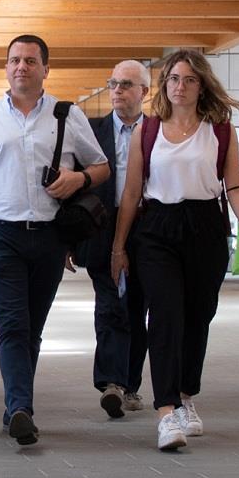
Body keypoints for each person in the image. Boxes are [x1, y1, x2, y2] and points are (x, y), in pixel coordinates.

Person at [0, 35, 109, 447]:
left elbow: (101, 166)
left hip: (50, 235)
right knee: (14, 325)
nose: (21, 66)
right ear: (6, 68)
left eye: (30, 60)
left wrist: (79, 178)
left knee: (32, 327)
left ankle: (16, 408)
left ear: (45, 69)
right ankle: (22, 407)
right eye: (14, 60)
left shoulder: (67, 115)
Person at [111, 50, 239, 451]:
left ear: (202, 85)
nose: (180, 87)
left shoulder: (220, 130)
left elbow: (235, 186)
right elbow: (131, 192)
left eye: (189, 79)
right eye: (174, 79)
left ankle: (185, 396)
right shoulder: (148, 130)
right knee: (165, 315)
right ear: (165, 85)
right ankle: (165, 412)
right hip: (156, 229)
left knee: (199, 316)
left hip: (205, 227)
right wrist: (118, 247)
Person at [82, 60, 150, 419]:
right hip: (101, 227)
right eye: (113, 84)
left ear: (145, 92)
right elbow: (76, 185)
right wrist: (69, 239)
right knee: (110, 305)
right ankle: (111, 382)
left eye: (126, 84)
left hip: (146, 228)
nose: (117, 90)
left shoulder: (156, 132)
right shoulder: (91, 131)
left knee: (136, 307)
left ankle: (129, 383)